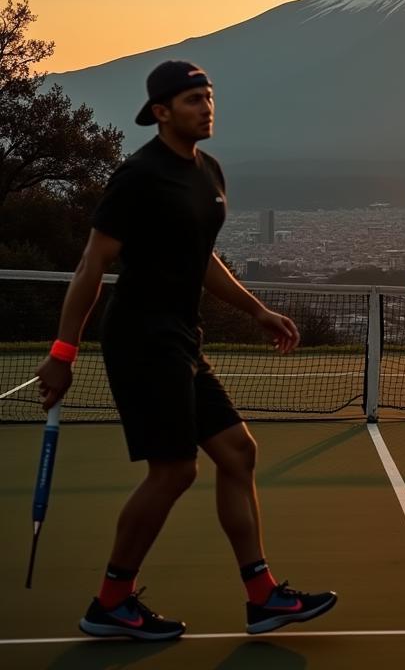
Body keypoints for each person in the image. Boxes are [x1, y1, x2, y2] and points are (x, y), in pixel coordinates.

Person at [35, 60, 336, 641]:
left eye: (209, 96)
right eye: (193, 99)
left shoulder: (210, 173)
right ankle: (110, 602)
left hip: (181, 337)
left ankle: (262, 597)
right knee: (174, 470)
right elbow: (92, 264)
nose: (206, 106)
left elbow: (203, 261)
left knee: (237, 452)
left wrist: (257, 310)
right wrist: (62, 351)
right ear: (160, 112)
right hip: (142, 338)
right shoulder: (138, 177)